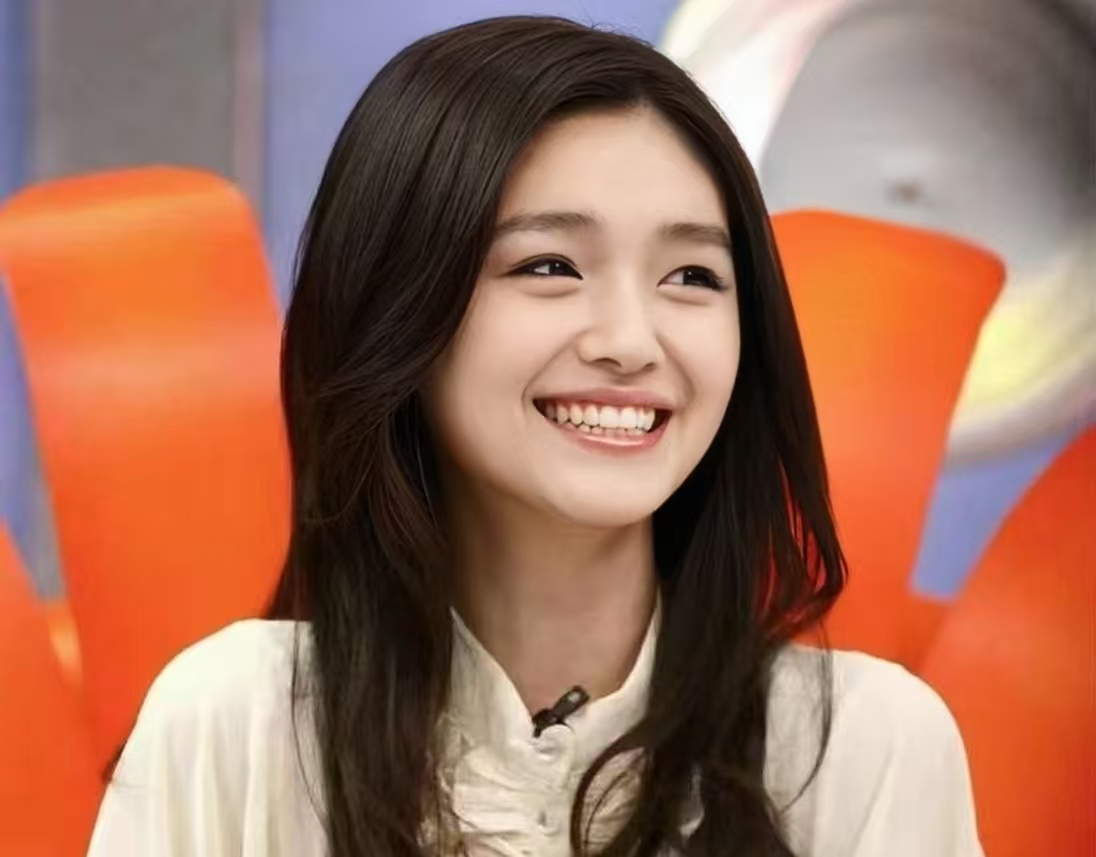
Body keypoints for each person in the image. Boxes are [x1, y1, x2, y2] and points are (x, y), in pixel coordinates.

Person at [87, 15, 982, 857]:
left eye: (691, 275)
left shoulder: (865, 747)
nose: (631, 341)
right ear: (396, 309)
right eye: (550, 265)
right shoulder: (236, 726)